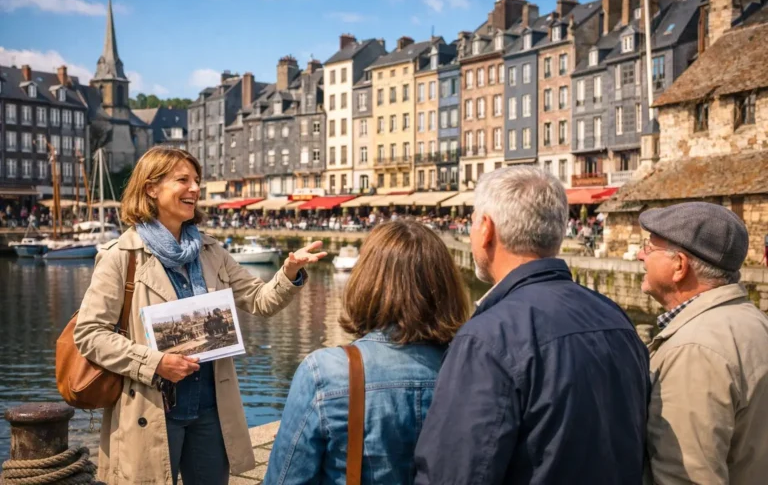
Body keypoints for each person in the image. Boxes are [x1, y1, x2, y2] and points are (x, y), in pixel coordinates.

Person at [73, 147, 326, 485]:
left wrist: (289, 272)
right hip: (151, 407)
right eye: (183, 180)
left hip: (210, 407)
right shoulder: (121, 256)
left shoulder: (211, 251)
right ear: (151, 188)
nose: (195, 188)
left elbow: (259, 301)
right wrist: (156, 363)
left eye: (197, 180)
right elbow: (90, 334)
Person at [414, 166, 650, 484]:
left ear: (486, 229)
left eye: (473, 221)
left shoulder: (488, 338)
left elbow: (455, 473)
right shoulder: (615, 318)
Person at [264, 220, 470, 484]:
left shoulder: (324, 373)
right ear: (445, 285)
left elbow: (285, 479)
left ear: (366, 281)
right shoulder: (470, 370)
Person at [638, 202, 768, 484]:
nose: (640, 255)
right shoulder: (754, 321)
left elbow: (685, 476)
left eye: (649, 247)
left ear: (679, 266)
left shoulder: (694, 351)